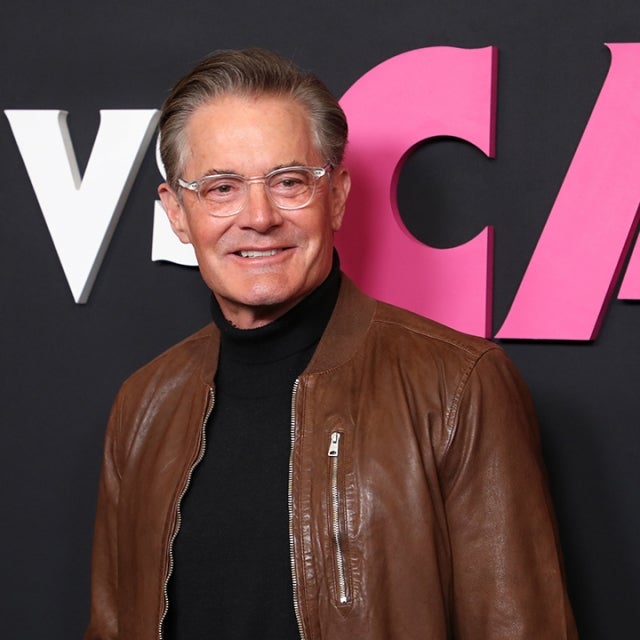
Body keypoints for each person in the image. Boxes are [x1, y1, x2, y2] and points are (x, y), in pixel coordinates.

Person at [85, 48, 578, 640]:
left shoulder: (460, 386)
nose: (259, 216)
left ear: (337, 196)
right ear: (177, 213)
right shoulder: (143, 403)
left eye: (289, 182)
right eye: (221, 188)